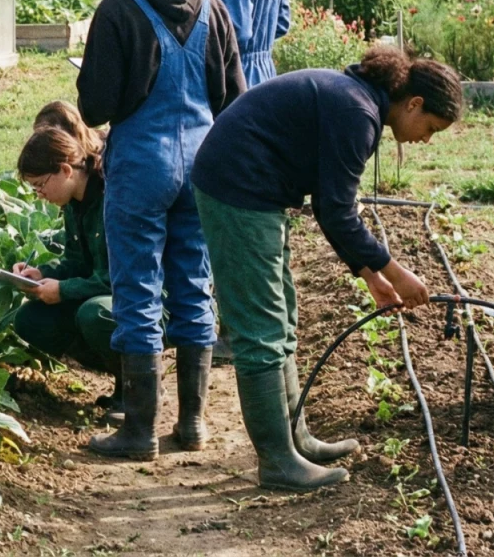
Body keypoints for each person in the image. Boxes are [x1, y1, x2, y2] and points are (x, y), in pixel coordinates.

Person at [193, 45, 460, 491]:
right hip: (238, 191)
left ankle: (295, 439)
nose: (425, 140)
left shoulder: (357, 102)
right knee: (260, 329)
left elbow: (328, 203)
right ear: (414, 103)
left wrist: (369, 273)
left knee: (282, 320)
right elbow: (337, 210)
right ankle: (277, 461)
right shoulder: (358, 113)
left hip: (257, 193)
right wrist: (396, 273)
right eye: (430, 127)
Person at [75, 0, 246, 460]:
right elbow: (234, 100)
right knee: (194, 284)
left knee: (138, 290)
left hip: (141, 165)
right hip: (201, 161)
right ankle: (192, 426)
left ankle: (139, 431)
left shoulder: (118, 10)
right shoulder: (212, 4)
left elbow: (96, 106)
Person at [10, 125, 118, 414]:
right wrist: (43, 274)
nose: (39, 194)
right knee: (31, 320)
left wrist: (64, 290)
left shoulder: (113, 201)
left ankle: (137, 383)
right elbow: (77, 262)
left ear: (66, 170)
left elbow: (119, 280)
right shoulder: (73, 204)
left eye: (40, 185)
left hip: (148, 301)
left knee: (94, 314)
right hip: (105, 292)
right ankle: (122, 375)